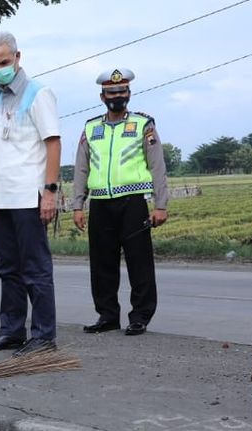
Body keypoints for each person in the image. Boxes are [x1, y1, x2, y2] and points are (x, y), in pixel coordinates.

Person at [0, 31, 62, 356]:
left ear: (17, 57)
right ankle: (11, 330)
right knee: (7, 268)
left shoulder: (38, 94)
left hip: (29, 196)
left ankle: (43, 336)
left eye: (4, 62)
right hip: (1, 197)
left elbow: (52, 143)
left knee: (35, 269)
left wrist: (50, 191)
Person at [71, 69, 170, 337]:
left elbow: (157, 166)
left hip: (133, 202)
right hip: (101, 203)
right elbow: (81, 169)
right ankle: (107, 316)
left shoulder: (143, 124)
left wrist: (161, 205)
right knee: (102, 263)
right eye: (112, 93)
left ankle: (140, 317)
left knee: (139, 262)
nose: (117, 97)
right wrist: (77, 205)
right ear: (102, 96)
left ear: (129, 94)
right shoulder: (91, 128)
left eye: (122, 92)